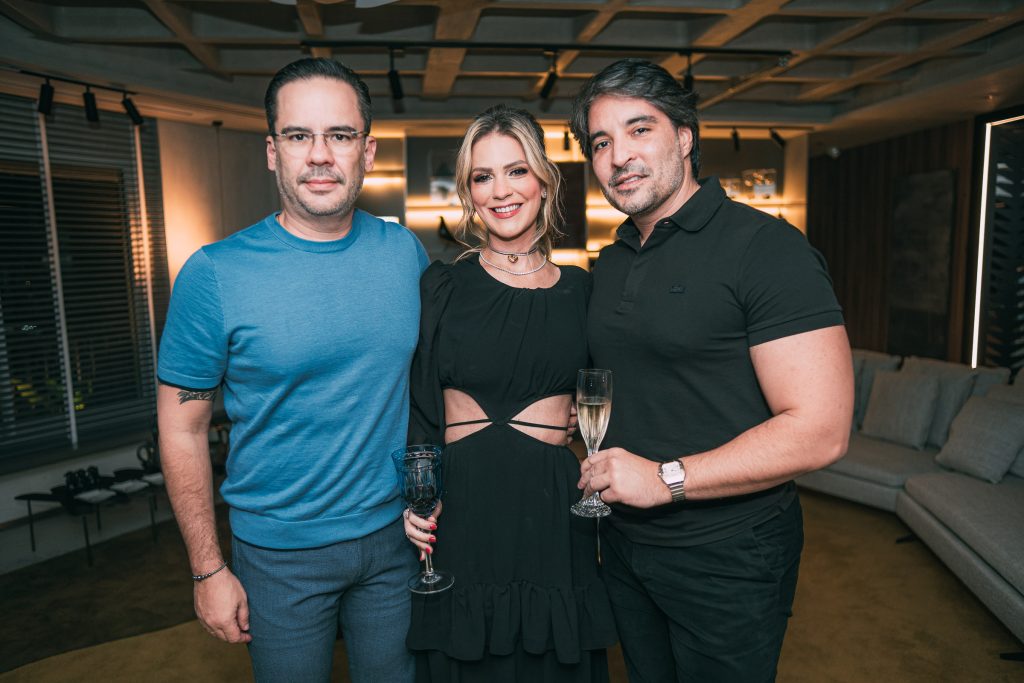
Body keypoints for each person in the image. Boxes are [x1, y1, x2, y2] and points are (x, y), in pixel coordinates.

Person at [568, 58, 854, 682]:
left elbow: (821, 430)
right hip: (624, 542)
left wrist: (665, 478)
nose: (619, 156)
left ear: (684, 137)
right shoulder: (611, 261)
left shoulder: (766, 247)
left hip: (730, 554)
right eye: (601, 142)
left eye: (639, 129)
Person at [157, 58, 428, 683]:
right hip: (279, 558)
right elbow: (181, 429)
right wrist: (207, 568)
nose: (320, 155)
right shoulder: (215, 273)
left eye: (340, 135)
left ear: (367, 151)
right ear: (273, 151)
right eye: (299, 135)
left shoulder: (404, 254)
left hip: (396, 541)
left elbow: (429, 388)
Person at [403, 104, 617, 682]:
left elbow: (606, 390)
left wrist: (578, 422)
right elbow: (419, 404)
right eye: (483, 176)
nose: (501, 190)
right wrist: (415, 497)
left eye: (516, 171)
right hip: (463, 506)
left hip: (553, 509)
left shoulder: (582, 291)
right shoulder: (442, 285)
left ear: (544, 180)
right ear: (469, 193)